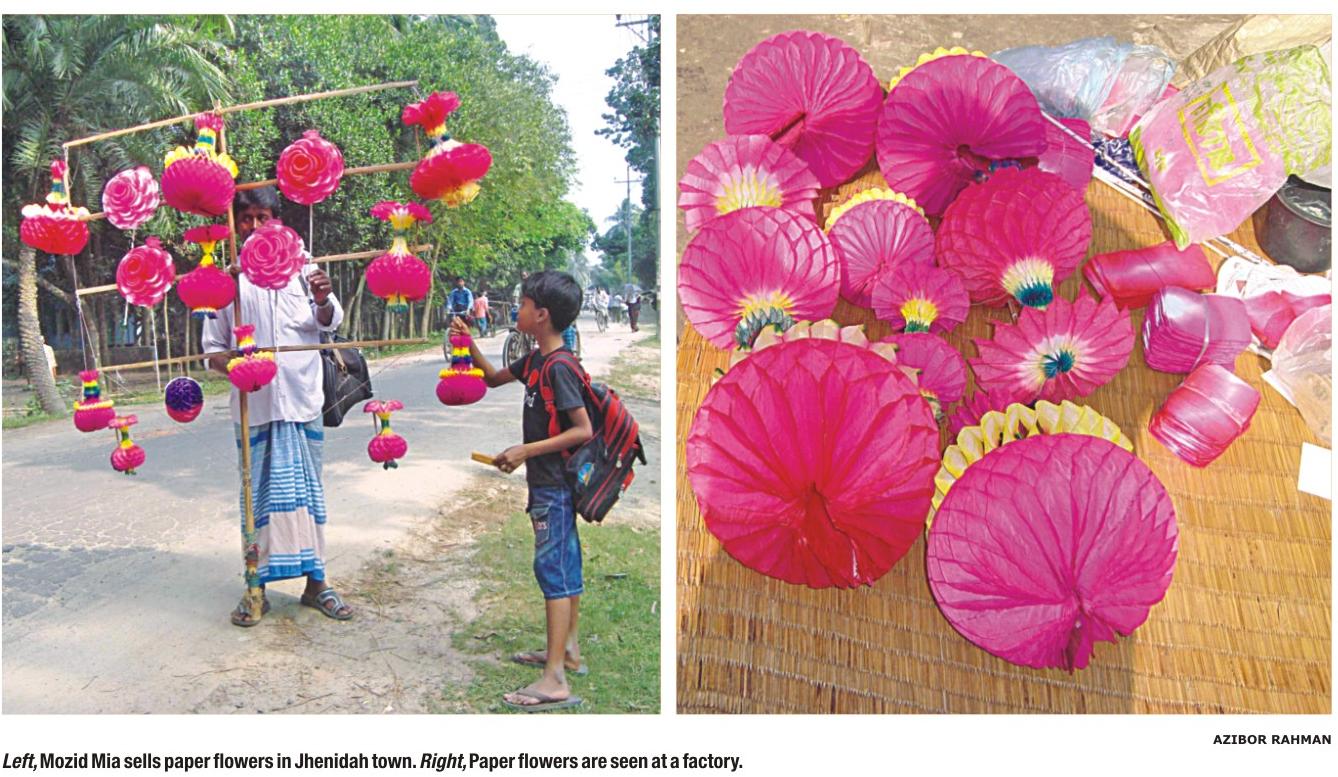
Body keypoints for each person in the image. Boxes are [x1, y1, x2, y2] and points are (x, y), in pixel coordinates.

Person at [201, 186, 353, 626]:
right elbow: (211, 350)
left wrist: (322, 298)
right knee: (256, 499)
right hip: (256, 407)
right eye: (245, 219)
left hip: (303, 401)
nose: (254, 227)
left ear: (278, 221)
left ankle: (317, 583)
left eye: (263, 218)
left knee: (310, 495)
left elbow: (330, 322)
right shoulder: (227, 283)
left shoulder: (304, 268)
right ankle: (256, 588)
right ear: (234, 225)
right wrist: (237, 364)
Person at [453, 270, 592, 711]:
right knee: (565, 566)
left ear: (542, 314)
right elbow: (493, 378)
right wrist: (467, 343)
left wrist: (525, 451)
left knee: (553, 572)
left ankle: (554, 679)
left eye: (524, 304)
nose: (518, 309)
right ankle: (568, 652)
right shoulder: (535, 360)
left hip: (555, 487)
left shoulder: (560, 367)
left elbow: (582, 430)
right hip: (547, 483)